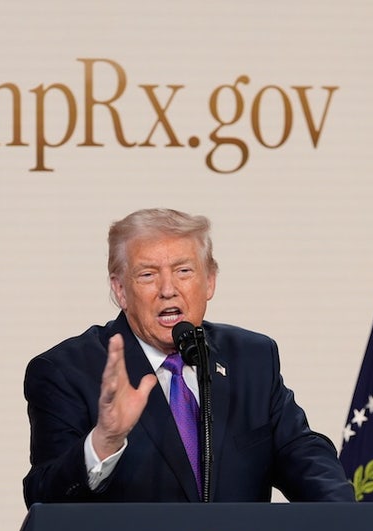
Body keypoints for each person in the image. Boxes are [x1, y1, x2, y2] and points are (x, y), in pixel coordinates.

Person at [22, 207, 353, 505]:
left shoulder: (251, 358)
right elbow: (43, 497)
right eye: (148, 274)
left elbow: (301, 454)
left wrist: (348, 523)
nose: (168, 289)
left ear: (209, 282)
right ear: (120, 290)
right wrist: (105, 440)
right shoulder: (66, 371)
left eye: (183, 271)